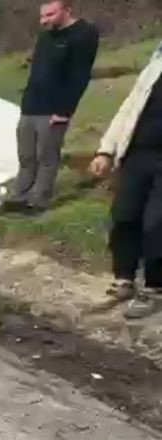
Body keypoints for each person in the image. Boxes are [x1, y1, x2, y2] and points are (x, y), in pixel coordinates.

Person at [5, 0, 99, 215]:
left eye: (50, 15)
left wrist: (64, 110)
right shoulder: (45, 37)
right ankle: (20, 197)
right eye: (42, 16)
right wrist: (26, 102)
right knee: (26, 156)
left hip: (54, 109)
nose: (44, 21)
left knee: (46, 156)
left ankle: (38, 200)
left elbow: (79, 77)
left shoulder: (83, 35)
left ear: (67, 10)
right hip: (31, 105)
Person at [89, 50, 162, 319]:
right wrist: (106, 150)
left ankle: (155, 288)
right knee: (124, 216)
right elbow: (129, 109)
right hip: (138, 154)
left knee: (157, 223)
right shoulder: (156, 65)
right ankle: (124, 280)